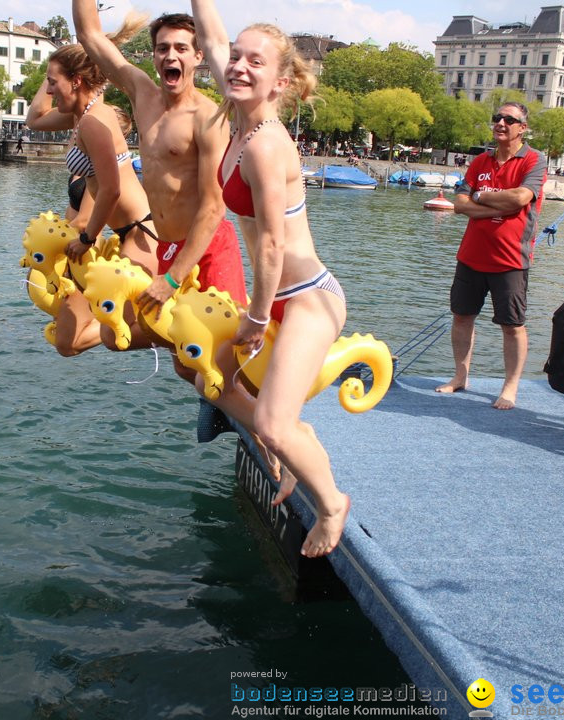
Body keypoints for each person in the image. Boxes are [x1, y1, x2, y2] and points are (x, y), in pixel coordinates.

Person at [190, 0, 352, 558]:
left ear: (279, 81)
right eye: (236, 57)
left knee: (273, 422)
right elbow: (211, 35)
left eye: (253, 62)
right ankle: (287, 461)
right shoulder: (239, 112)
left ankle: (333, 506)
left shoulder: (264, 144)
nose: (237, 66)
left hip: (306, 300)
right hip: (279, 297)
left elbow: (272, 245)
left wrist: (257, 318)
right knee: (217, 379)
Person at [71, 4, 248, 380]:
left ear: (198, 56)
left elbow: (214, 208)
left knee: (226, 355)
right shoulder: (141, 94)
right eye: (163, 47)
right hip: (167, 247)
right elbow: (90, 35)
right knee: (172, 360)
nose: (172, 55)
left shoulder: (208, 117)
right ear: (153, 55)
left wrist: (171, 280)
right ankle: (220, 400)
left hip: (209, 248)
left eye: (182, 48)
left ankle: (260, 421)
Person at [25, 42, 159, 356]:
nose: (48, 89)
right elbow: (34, 119)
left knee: (117, 334)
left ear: (76, 81)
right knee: (73, 344)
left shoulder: (94, 122)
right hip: (129, 233)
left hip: (142, 234)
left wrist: (86, 238)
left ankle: (176, 337)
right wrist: (60, 61)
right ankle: (168, 329)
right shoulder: (80, 117)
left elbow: (111, 189)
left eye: (52, 82)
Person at [435, 103, 547, 409]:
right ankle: (460, 377)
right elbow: (459, 204)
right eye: (497, 118)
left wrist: (481, 197)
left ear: (522, 127)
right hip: (471, 255)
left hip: (510, 259)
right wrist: (499, 204)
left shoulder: (534, 160)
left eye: (509, 120)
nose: (500, 123)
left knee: (512, 325)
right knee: (462, 316)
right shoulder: (481, 161)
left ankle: (510, 387)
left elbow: (521, 198)